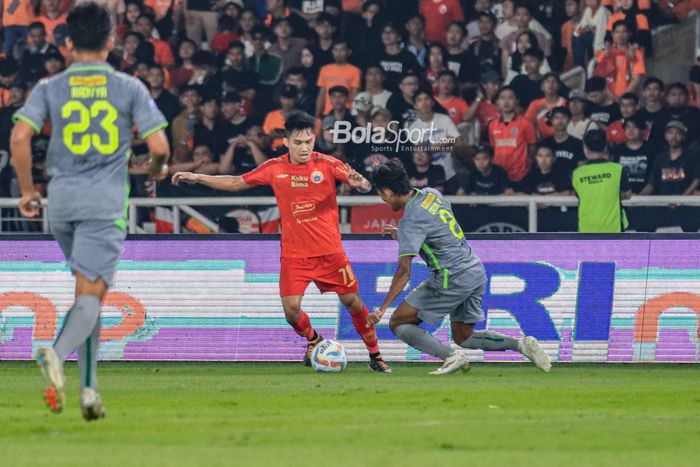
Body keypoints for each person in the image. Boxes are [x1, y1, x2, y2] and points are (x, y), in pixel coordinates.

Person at [11, 2, 169, 420]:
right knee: (93, 293)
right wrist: (154, 169)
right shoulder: (129, 86)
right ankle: (56, 354)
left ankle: (89, 390)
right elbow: (159, 148)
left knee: (88, 296)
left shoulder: (48, 86)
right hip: (103, 203)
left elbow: (20, 138)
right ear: (112, 41)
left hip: (60, 203)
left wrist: (28, 190)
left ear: (67, 44)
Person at [171, 111, 392, 372]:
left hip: (330, 253)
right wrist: (198, 177)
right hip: (295, 255)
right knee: (291, 311)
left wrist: (361, 183)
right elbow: (235, 182)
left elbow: (364, 185)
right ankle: (315, 340)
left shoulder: (328, 164)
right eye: (298, 143)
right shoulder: (274, 168)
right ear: (286, 142)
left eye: (308, 142)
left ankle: (375, 355)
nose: (304, 148)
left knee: (353, 303)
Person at [368, 159, 551, 375]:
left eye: (381, 194)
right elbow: (436, 229)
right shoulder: (432, 194)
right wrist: (402, 235)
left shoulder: (410, 221)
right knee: (464, 336)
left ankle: (451, 357)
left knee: (398, 322)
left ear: (388, 191)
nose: (383, 200)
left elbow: (403, 272)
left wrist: (382, 308)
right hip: (474, 269)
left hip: (450, 278)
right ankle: (521, 345)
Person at [572, 129, 631, 232]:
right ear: (605, 147)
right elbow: (627, 194)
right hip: (614, 228)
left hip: (586, 228)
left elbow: (579, 195)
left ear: (585, 149)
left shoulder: (577, 173)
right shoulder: (618, 169)